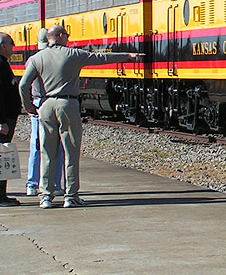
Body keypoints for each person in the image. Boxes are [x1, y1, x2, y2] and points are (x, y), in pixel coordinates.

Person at [18, 25, 141, 209]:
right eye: (66, 35)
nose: (68, 38)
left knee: (47, 152)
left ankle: (45, 197)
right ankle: (70, 196)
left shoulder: (36, 58)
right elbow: (101, 58)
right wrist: (128, 56)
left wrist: (29, 107)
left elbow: (23, 85)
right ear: (60, 36)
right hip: (68, 104)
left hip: (45, 105)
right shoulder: (72, 54)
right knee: (71, 151)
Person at [24, 29, 64, 197]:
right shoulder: (53, 59)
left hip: (37, 101)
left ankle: (32, 184)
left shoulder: (32, 60)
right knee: (57, 145)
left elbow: (24, 85)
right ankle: (54, 183)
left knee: (37, 145)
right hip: (51, 101)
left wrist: (28, 105)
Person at [0, 32, 22, 206]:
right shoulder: (0, 65)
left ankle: (2, 195)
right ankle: (0, 196)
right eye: (11, 44)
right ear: (2, 45)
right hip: (4, 119)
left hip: (6, 117)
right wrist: (1, 122)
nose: (13, 47)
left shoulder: (3, 64)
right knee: (2, 156)